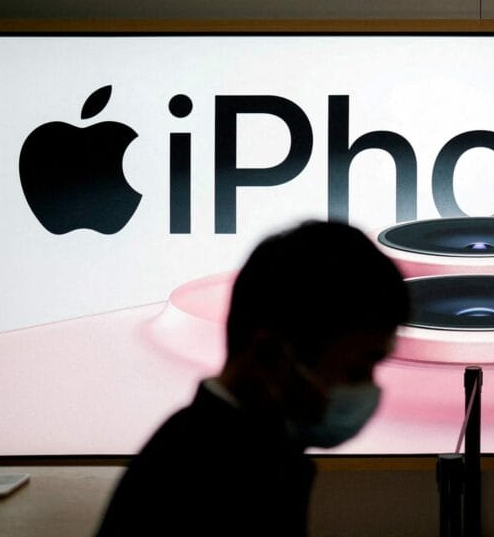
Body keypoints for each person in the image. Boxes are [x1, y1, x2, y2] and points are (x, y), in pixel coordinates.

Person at [96, 220, 409, 536]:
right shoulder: (221, 474)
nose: (368, 389)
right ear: (270, 354)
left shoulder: (220, 449)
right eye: (356, 369)